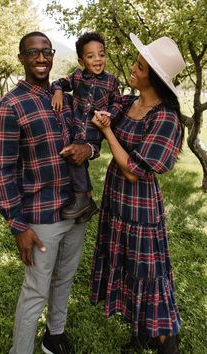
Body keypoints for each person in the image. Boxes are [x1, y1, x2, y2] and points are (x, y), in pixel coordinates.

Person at [0, 31, 96, 354]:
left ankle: (54, 337)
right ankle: (20, 350)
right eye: (33, 53)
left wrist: (88, 149)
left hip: (75, 210)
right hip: (41, 216)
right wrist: (18, 225)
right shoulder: (9, 106)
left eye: (46, 52)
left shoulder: (63, 97)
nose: (41, 58)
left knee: (64, 280)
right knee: (36, 289)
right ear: (21, 58)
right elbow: (2, 171)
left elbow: (88, 135)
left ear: (52, 56)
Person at [91, 33, 186, 354]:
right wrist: (105, 120)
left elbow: (133, 170)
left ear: (154, 78)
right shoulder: (130, 104)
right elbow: (106, 115)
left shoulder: (165, 118)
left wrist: (107, 132)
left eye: (141, 67)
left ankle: (166, 341)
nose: (133, 69)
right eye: (136, 63)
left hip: (140, 208)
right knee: (129, 268)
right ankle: (141, 333)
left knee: (148, 272)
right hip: (116, 201)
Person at [51, 31, 122, 223]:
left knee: (76, 158)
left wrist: (110, 115)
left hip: (92, 135)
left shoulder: (112, 81)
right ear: (82, 61)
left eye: (101, 54)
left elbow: (117, 103)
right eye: (91, 56)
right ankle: (85, 204)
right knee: (72, 160)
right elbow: (59, 82)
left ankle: (83, 197)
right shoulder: (76, 77)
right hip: (76, 130)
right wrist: (57, 91)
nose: (98, 59)